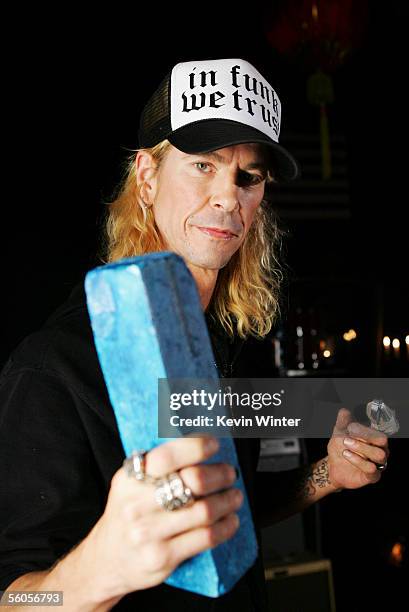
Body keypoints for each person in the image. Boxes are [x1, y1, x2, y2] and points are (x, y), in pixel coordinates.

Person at [0, 58, 389, 611]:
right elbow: (15, 602)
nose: (229, 198)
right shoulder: (53, 367)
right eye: (204, 165)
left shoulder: (230, 341)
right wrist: (98, 569)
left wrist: (328, 473)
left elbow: (231, 506)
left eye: (247, 176)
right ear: (146, 176)